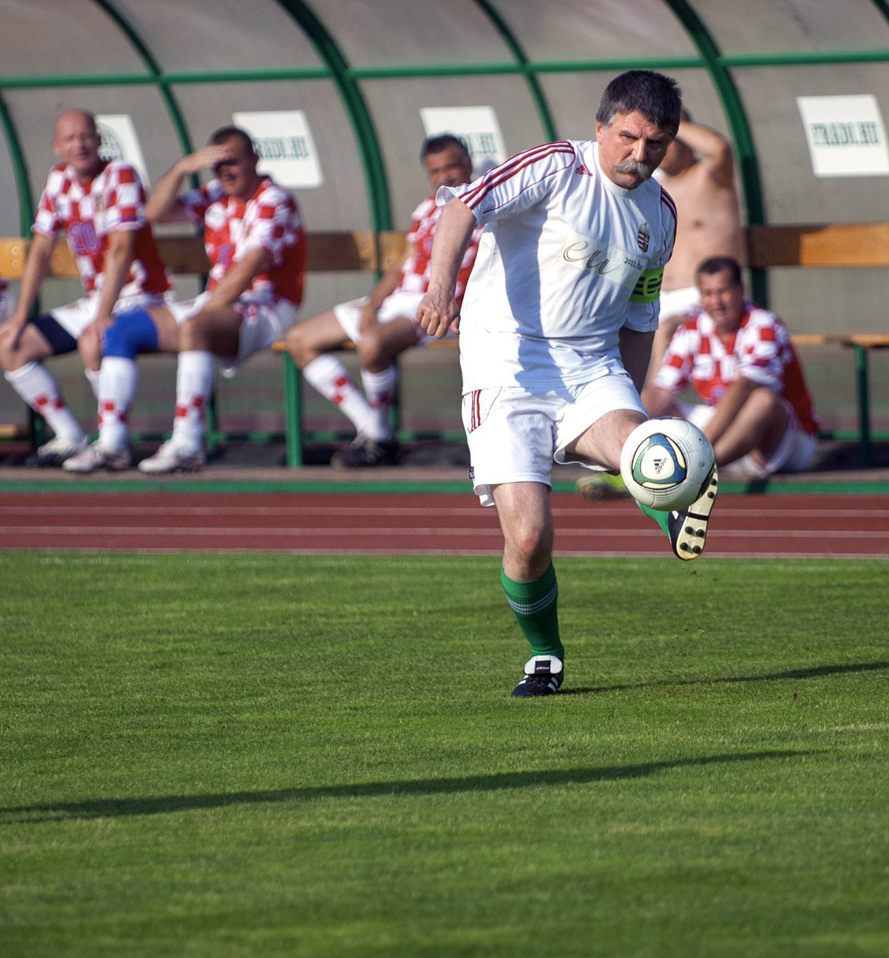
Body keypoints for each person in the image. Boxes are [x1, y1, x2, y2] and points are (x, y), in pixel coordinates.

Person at [416, 70, 719, 699]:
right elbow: (461, 205)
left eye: (657, 144)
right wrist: (440, 284)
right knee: (528, 539)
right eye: (630, 138)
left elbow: (640, 317)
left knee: (643, 444)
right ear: (602, 128)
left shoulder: (660, 216)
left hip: (591, 368)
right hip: (507, 366)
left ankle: (662, 490)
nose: (641, 155)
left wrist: (629, 406)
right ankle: (545, 655)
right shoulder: (557, 168)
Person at [63, 126, 306, 474]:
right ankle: (113, 444)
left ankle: (187, 445)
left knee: (194, 327)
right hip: (219, 302)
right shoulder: (215, 195)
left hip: (269, 306)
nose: (227, 172)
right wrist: (180, 169)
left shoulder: (272, 199)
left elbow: (249, 268)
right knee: (118, 330)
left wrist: (203, 314)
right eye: (218, 166)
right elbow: (155, 213)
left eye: (233, 163)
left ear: (254, 158)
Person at [286, 133, 481, 469]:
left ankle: (378, 439)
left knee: (373, 344)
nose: (444, 176)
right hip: (398, 301)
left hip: (440, 307)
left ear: (468, 163)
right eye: (435, 171)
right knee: (298, 340)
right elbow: (402, 265)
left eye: (452, 166)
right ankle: (374, 430)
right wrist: (372, 305)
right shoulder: (426, 207)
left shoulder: (487, 204)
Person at [0, 109, 170, 466]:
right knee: (10, 346)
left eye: (86, 136)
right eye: (70, 139)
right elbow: (42, 248)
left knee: (93, 341)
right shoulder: (58, 180)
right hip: (97, 299)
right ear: (57, 146)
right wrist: (18, 317)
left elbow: (122, 249)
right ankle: (71, 436)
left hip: (140, 297)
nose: (80, 144)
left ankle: (114, 444)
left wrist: (103, 314)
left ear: (98, 139)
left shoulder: (120, 175)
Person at [642, 255, 818, 478]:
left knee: (763, 401)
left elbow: (745, 386)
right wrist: (631, 439)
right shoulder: (691, 329)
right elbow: (661, 390)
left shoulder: (764, 325)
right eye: (708, 293)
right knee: (664, 410)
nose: (716, 302)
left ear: (740, 290)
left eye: (723, 291)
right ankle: (634, 468)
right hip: (723, 435)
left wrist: (702, 445)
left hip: (785, 443)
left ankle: (691, 470)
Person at [647, 110, 745, 377]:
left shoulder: (711, 175)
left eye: (667, 138)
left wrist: (673, 123)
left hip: (706, 298)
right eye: (655, 141)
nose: (660, 149)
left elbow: (720, 148)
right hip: (654, 296)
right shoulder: (650, 186)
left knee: (664, 331)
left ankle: (651, 412)